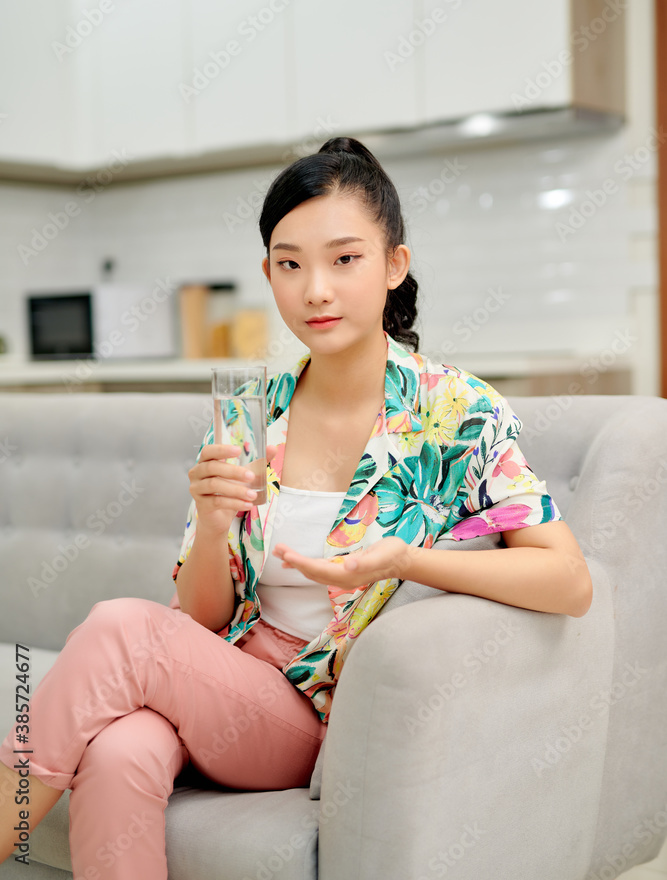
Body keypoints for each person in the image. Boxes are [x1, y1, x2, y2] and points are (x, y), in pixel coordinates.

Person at [0, 136, 593, 879]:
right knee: (119, 752)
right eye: (290, 264)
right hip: (224, 678)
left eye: (344, 259)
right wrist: (214, 522)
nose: (315, 289)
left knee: (122, 626)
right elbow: (204, 618)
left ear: (393, 266)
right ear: (268, 274)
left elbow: (568, 581)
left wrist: (406, 560)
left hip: (315, 715)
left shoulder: (458, 411)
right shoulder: (253, 412)